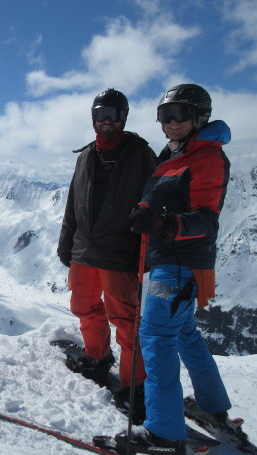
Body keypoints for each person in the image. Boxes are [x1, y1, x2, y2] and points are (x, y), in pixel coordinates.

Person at [115, 83, 233, 455]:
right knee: (184, 334)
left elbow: (207, 219)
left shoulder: (206, 157)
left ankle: (164, 435)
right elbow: (167, 201)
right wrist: (145, 212)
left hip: (178, 264)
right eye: (165, 115)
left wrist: (166, 225)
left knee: (156, 338)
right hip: (173, 260)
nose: (171, 122)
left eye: (180, 114)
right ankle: (212, 406)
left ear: (199, 117)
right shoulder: (177, 155)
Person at [57, 88, 157, 424]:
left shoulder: (140, 154)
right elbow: (73, 204)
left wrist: (152, 242)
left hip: (120, 251)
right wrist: (66, 242)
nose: (107, 121)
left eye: (113, 115)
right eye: (101, 114)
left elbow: (157, 201)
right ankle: (96, 358)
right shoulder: (85, 156)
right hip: (85, 250)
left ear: (123, 118)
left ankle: (135, 386)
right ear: (93, 118)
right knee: (83, 307)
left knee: (127, 321)